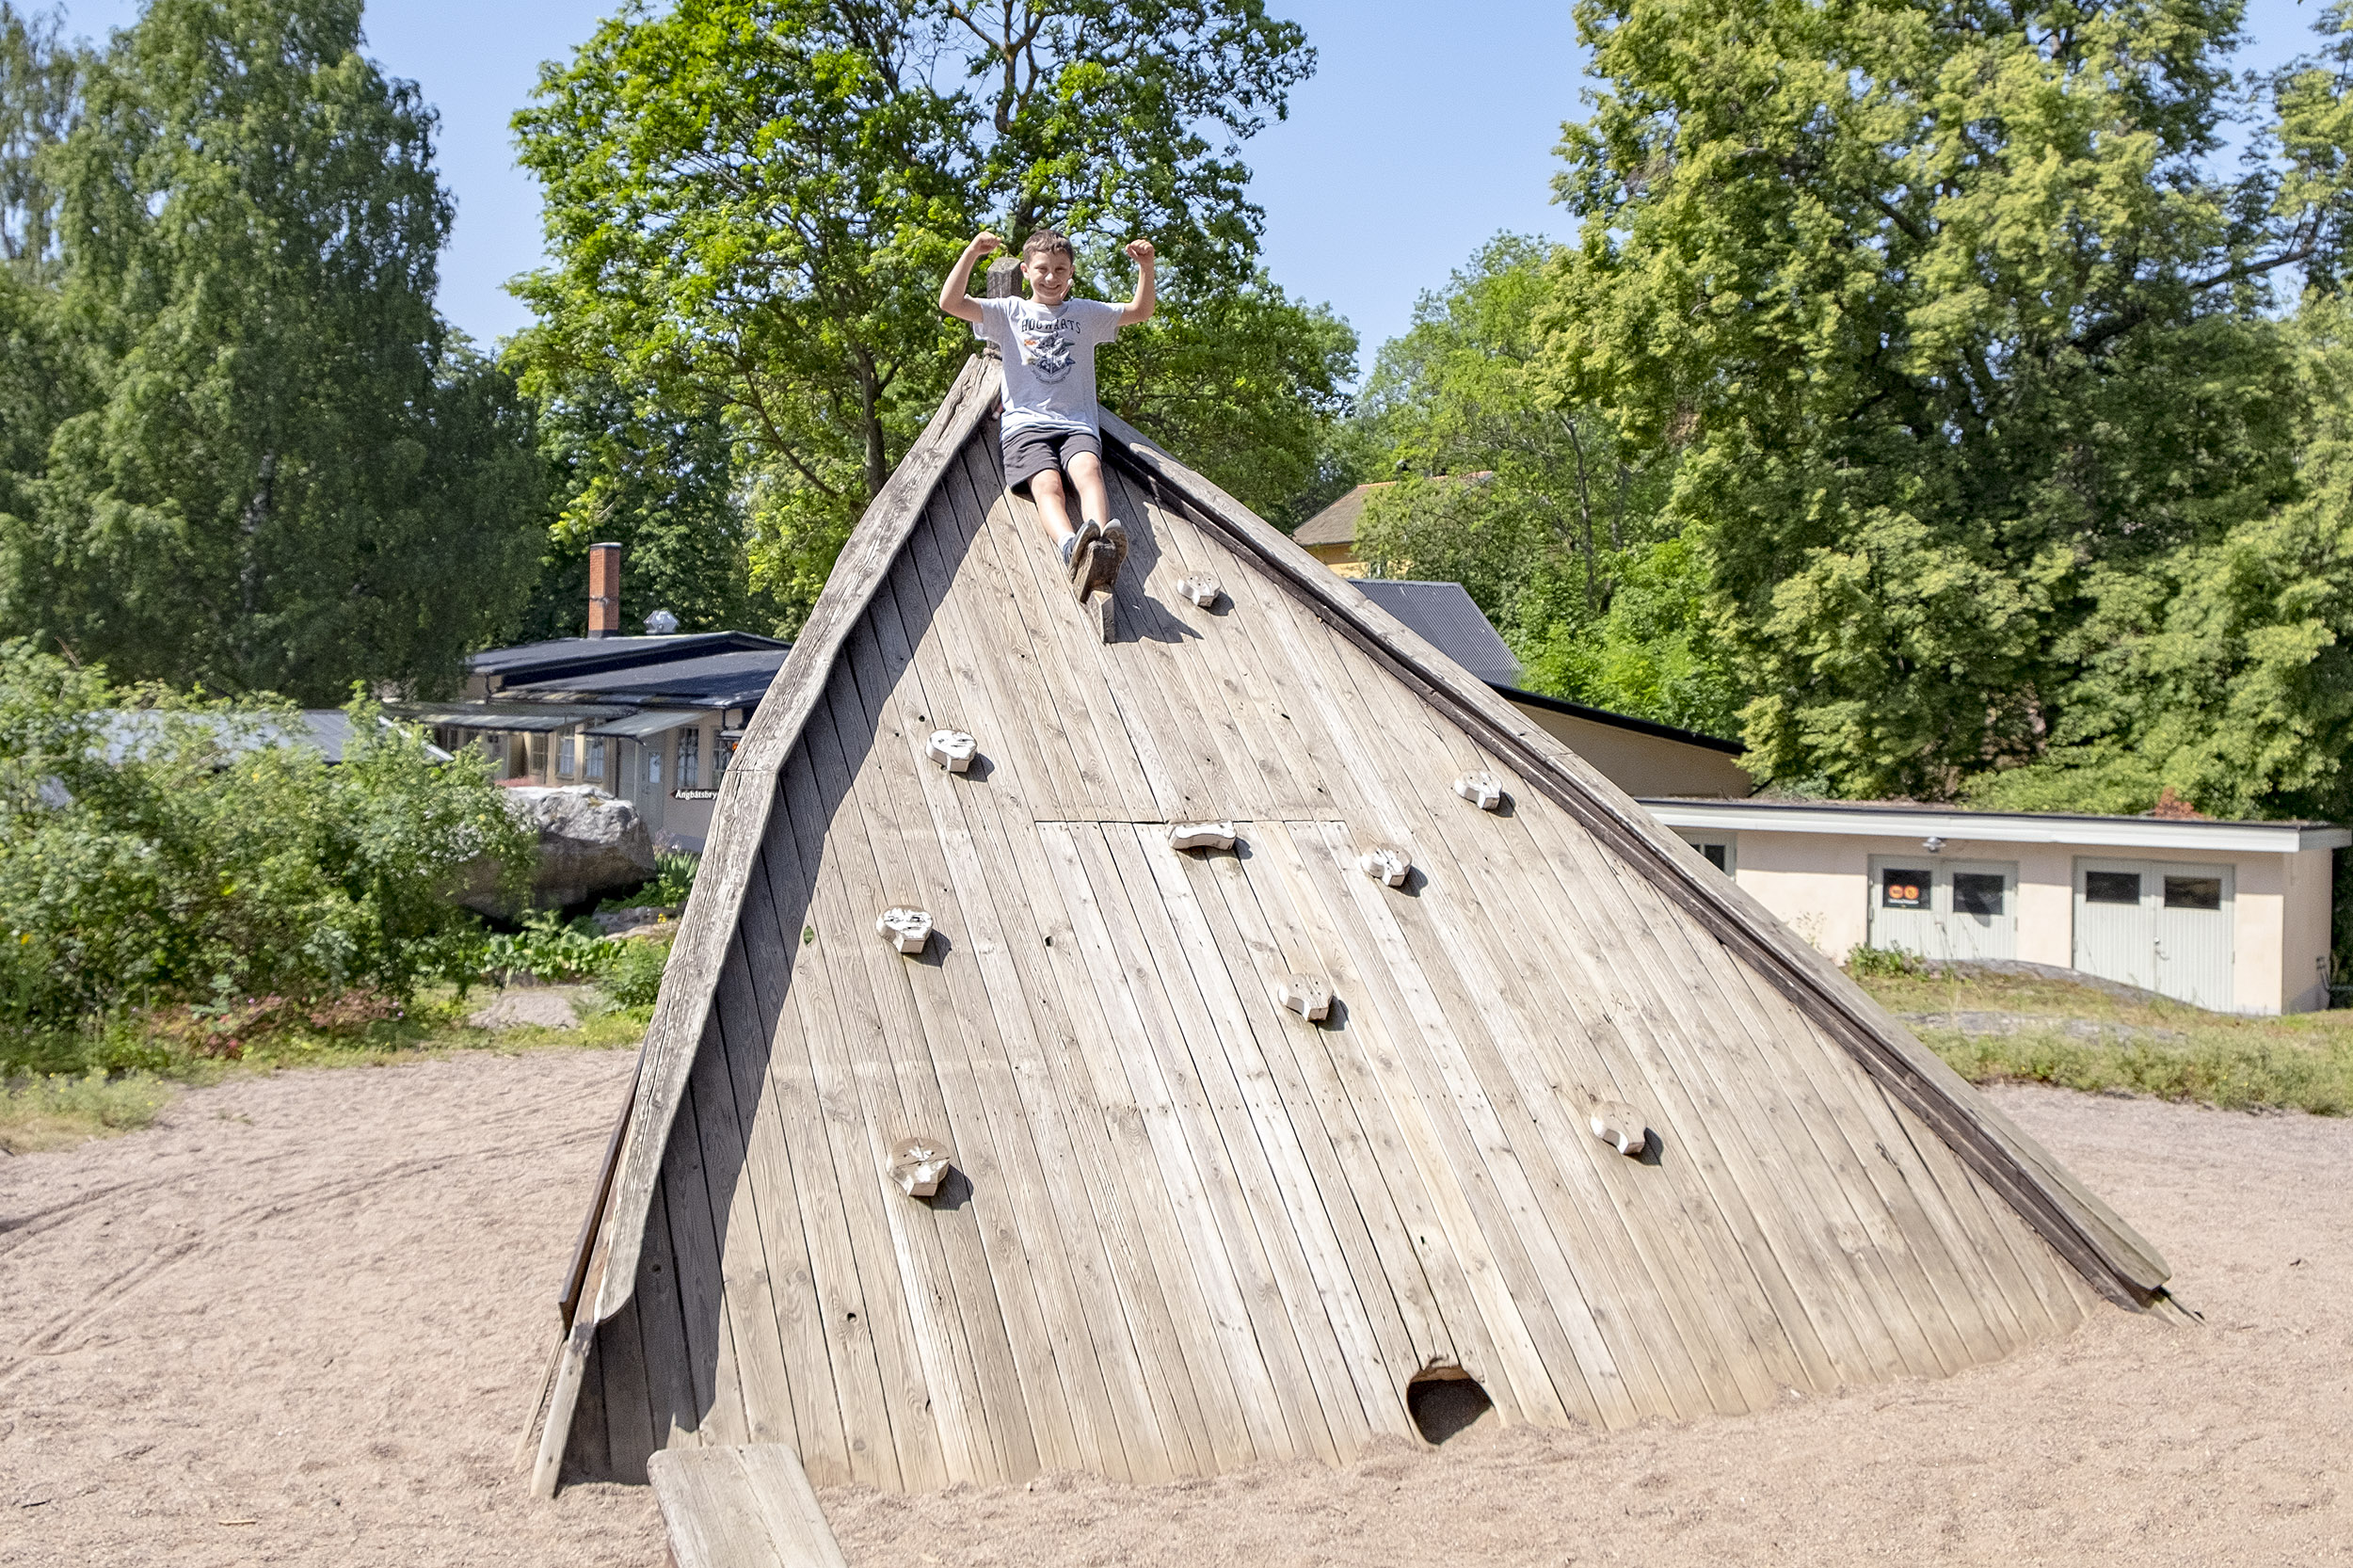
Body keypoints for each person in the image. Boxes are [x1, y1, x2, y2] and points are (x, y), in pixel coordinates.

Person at [938, 228, 1156, 593]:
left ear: (1071, 273)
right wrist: (973, 251)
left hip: (1076, 422)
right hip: (1024, 425)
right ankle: (1070, 544)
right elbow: (951, 302)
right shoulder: (1010, 311)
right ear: (1025, 272)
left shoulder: (1085, 314)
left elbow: (1140, 311)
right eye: (1042, 269)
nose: (1051, 277)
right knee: (1048, 484)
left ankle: (1100, 543)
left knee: (1087, 470)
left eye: (1060, 269)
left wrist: (1146, 268)